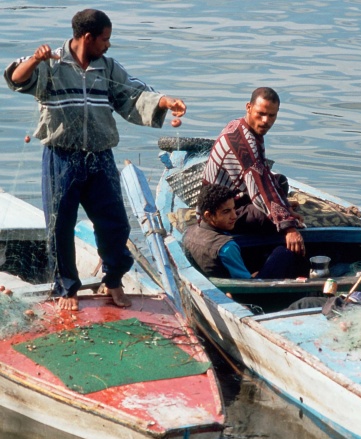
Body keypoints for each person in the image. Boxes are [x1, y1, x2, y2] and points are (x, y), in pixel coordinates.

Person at [3, 9, 186, 311]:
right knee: (60, 225)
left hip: (100, 157)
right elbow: (15, 77)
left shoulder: (108, 68)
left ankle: (113, 280)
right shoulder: (52, 62)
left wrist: (166, 101)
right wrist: (35, 59)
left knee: (114, 223)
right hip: (61, 157)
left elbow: (135, 95)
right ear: (87, 37)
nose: (108, 45)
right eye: (105, 39)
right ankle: (67, 289)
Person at [202, 87, 306, 256]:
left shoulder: (240, 125)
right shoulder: (242, 142)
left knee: (279, 181)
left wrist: (284, 207)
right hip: (221, 209)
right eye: (261, 114)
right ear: (248, 108)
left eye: (271, 116)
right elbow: (260, 184)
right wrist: (289, 226)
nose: (266, 121)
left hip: (237, 196)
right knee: (265, 216)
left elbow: (264, 174)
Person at [183, 184, 300, 279]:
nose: (234, 216)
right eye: (226, 212)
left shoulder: (189, 232)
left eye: (234, 209)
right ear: (208, 215)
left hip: (219, 279)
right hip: (246, 294)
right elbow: (248, 284)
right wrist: (253, 276)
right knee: (283, 252)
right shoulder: (226, 247)